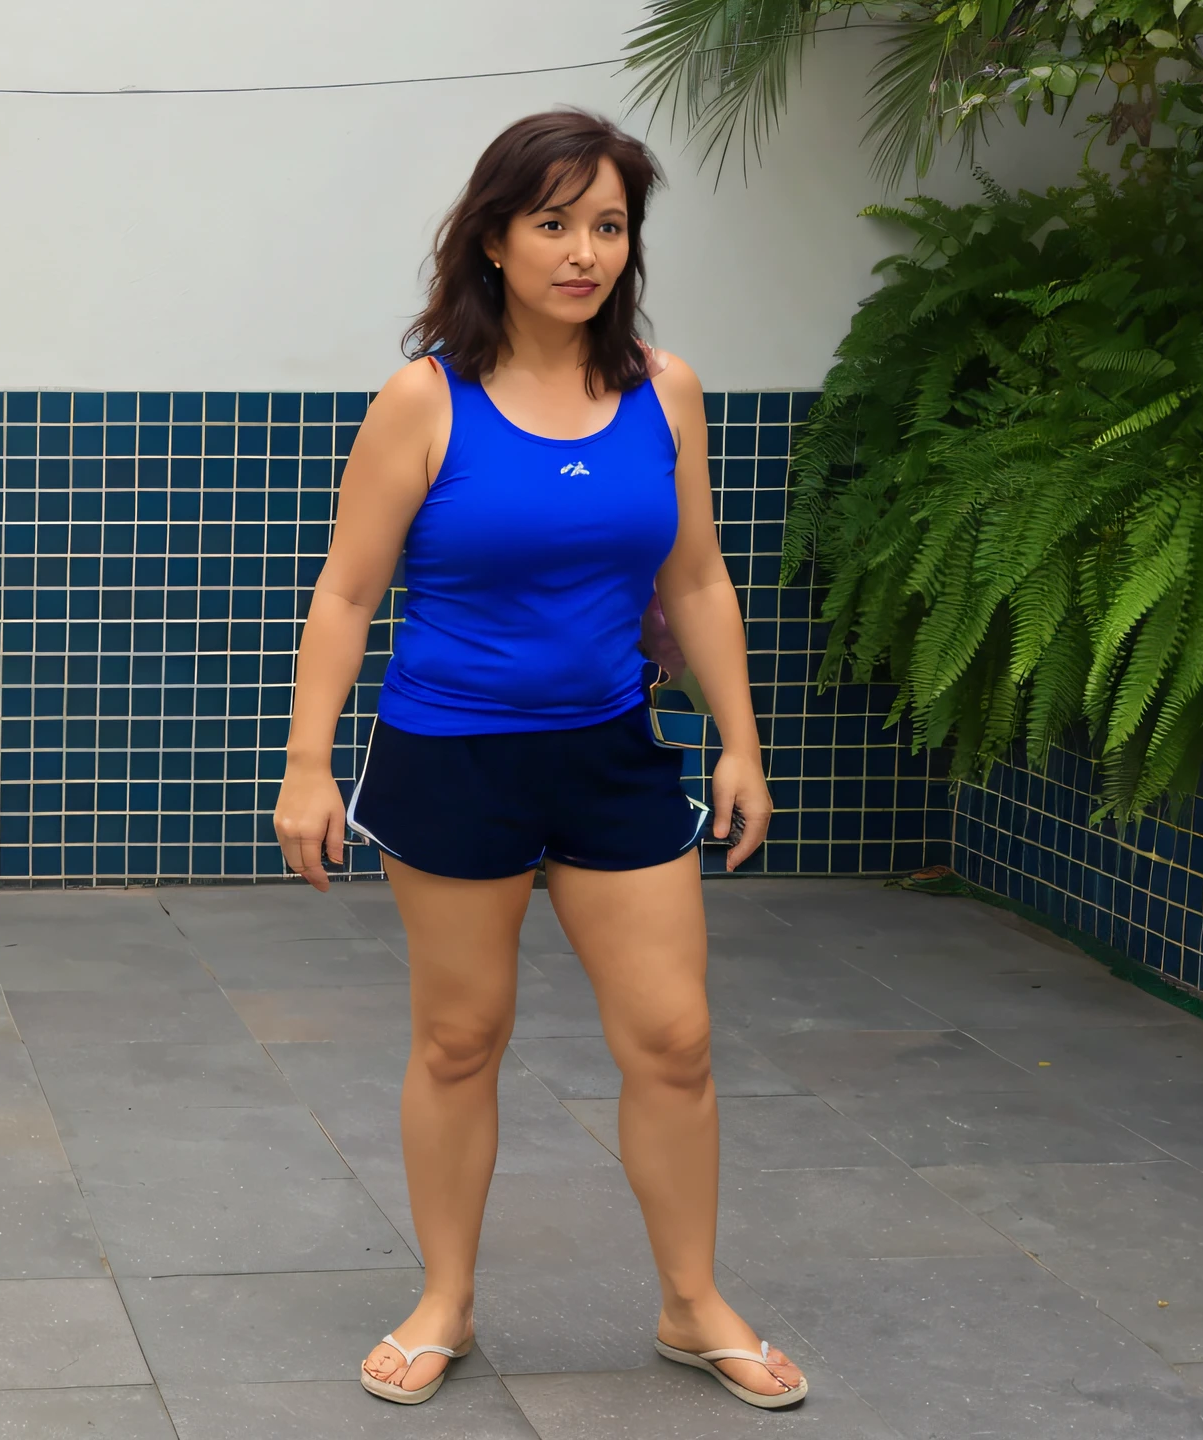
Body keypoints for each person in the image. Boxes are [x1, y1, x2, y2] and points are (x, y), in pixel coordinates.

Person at [273, 108, 807, 1411]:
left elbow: (695, 575)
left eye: (609, 225)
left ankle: (693, 1303)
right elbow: (346, 595)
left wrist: (740, 743)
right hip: (453, 758)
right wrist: (305, 766)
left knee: (674, 1039)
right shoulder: (424, 399)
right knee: (462, 1039)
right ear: (496, 238)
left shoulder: (661, 392)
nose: (583, 251)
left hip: (613, 757)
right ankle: (445, 1300)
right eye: (554, 223)